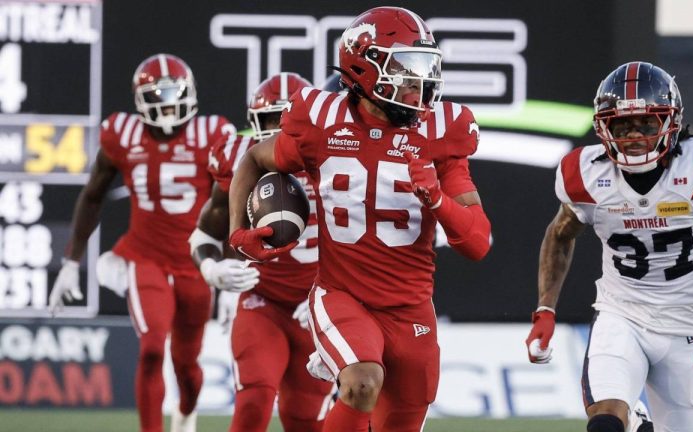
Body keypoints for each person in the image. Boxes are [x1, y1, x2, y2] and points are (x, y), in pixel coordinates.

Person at [227, 6, 492, 432]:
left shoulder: (441, 130)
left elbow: (478, 242)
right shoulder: (322, 123)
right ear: (363, 68)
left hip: (411, 307)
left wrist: (437, 199)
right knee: (362, 383)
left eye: (423, 67)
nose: (417, 83)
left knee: (401, 415)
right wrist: (238, 233)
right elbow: (254, 159)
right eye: (404, 68)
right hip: (342, 294)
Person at [525, 61, 693, 432]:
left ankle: (639, 425)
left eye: (646, 123)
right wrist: (545, 310)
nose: (633, 136)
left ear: (671, 122)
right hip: (622, 316)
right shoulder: (587, 174)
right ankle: (626, 421)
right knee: (604, 425)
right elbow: (559, 235)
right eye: (621, 124)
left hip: (686, 329)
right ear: (603, 127)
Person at [48, 53, 235, 432]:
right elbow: (93, 194)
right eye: (157, 94)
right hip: (144, 257)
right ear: (140, 100)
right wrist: (71, 262)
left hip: (197, 262)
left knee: (187, 367)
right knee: (151, 348)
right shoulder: (122, 134)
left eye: (174, 93)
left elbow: (230, 204)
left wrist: (231, 267)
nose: (166, 103)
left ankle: (185, 415)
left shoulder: (212, 135)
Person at [190, 72, 335, 432]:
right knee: (254, 400)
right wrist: (212, 270)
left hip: (319, 308)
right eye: (271, 121)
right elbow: (204, 233)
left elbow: (362, 240)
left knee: (304, 421)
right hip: (262, 301)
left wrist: (335, 293)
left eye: (287, 118)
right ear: (255, 123)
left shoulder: (335, 156)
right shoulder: (239, 158)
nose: (279, 130)